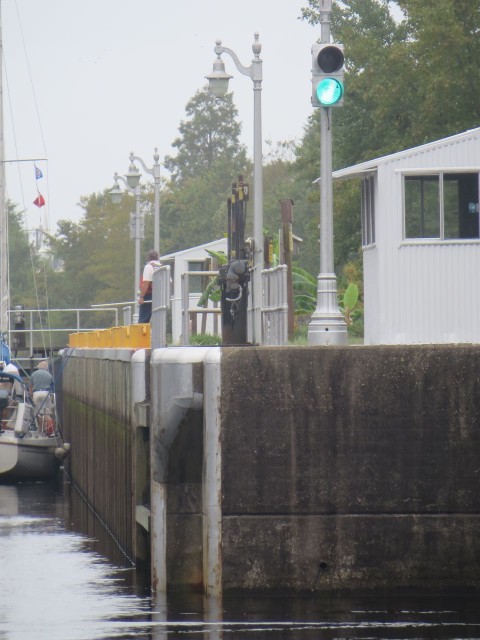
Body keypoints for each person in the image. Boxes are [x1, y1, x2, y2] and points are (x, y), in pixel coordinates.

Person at [138, 249, 161, 324]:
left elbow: (145, 283)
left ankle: (141, 335)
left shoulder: (148, 267)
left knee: (143, 320)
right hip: (160, 296)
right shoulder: (162, 267)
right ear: (157, 257)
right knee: (158, 318)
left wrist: (141, 297)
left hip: (149, 296)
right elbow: (169, 282)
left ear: (148, 257)